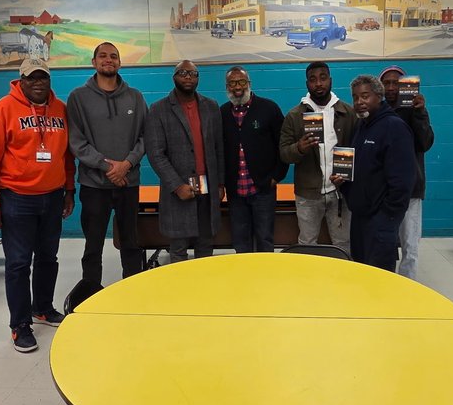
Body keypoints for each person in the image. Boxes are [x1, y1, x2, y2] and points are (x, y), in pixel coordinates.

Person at [0, 57, 75, 353]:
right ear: (20, 80)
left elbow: (67, 156)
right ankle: (20, 325)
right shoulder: (3, 109)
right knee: (18, 264)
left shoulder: (61, 109)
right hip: (16, 198)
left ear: (49, 80)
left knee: (48, 257)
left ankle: (42, 307)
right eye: (31, 78)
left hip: (53, 195)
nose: (37, 83)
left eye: (42, 77)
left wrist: (69, 190)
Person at [66, 41, 146, 287]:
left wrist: (127, 164)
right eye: (103, 56)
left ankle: (132, 290)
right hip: (94, 186)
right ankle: (91, 292)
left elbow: (146, 137)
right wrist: (108, 167)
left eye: (113, 56)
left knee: (131, 243)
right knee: (93, 245)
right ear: (94, 62)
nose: (108, 59)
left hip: (128, 184)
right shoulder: (78, 98)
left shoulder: (135, 97)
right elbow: (76, 142)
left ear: (120, 63)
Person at [145, 61, 224, 262]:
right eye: (182, 73)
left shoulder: (211, 106)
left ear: (198, 78)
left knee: (205, 245)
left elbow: (218, 148)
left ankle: (203, 288)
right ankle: (181, 291)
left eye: (193, 74)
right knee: (178, 248)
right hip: (178, 191)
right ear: (174, 77)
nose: (188, 77)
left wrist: (220, 183)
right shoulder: (158, 109)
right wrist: (177, 185)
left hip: (207, 189)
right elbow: (155, 154)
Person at [279, 61, 356, 253]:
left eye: (323, 78)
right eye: (313, 80)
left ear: (330, 80)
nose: (318, 84)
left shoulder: (348, 113)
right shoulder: (294, 116)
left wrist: (346, 176)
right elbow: (283, 153)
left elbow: (358, 150)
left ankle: (342, 280)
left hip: (340, 192)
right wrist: (299, 148)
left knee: (343, 244)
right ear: (307, 84)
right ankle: (308, 282)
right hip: (307, 194)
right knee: (307, 243)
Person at [344, 74, 416, 272]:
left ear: (379, 96)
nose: (359, 102)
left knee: (379, 277)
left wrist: (387, 217)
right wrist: (344, 185)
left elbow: (403, 181)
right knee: (361, 272)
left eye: (365, 96)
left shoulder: (394, 127)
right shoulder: (362, 126)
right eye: (355, 97)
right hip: (360, 217)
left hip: (380, 221)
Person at [220, 67, 288, 252]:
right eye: (232, 83)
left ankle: (265, 278)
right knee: (240, 242)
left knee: (265, 239)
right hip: (236, 192)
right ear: (227, 87)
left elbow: (282, 144)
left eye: (241, 82)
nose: (237, 87)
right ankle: (244, 278)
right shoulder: (222, 113)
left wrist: (277, 176)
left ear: (249, 84)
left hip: (263, 189)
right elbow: (218, 151)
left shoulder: (269, 108)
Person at [380, 65, 435, 280]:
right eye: (387, 83)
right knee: (386, 242)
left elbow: (426, 142)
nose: (392, 87)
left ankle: (407, 286)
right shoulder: (377, 112)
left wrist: (420, 112)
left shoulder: (415, 110)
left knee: (410, 245)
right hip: (384, 191)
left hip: (411, 190)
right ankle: (386, 282)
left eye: (397, 83)